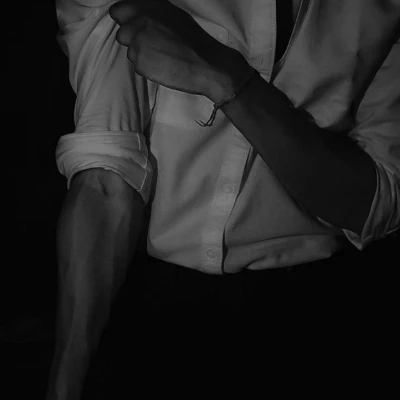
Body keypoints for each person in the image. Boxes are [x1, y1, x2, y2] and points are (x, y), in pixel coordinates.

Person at [47, 0, 400, 398]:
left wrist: (228, 80)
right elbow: (105, 180)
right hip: (150, 306)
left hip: (320, 310)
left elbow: (378, 205)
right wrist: (65, 386)